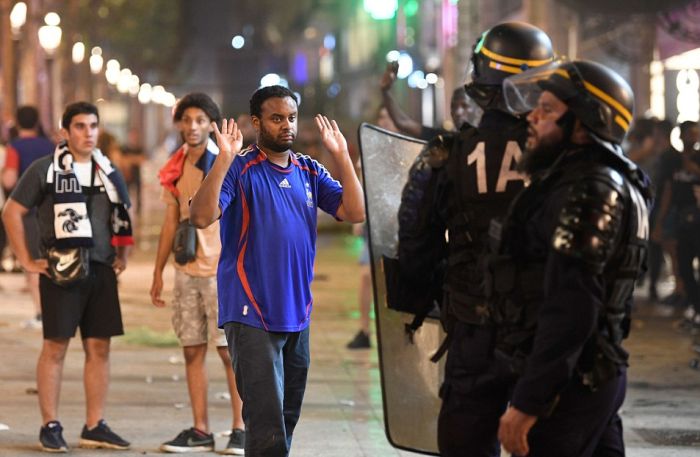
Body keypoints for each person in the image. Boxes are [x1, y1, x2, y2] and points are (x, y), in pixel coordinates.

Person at [396, 22, 554, 456]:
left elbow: (414, 239)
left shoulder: (449, 153)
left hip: (473, 326)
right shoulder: (564, 155)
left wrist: (421, 301)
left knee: (467, 440)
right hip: (544, 330)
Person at [190, 85, 365, 456]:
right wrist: (222, 159)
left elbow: (355, 212)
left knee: (284, 420)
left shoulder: (309, 170)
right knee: (266, 423)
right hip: (251, 313)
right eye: (276, 118)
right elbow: (201, 216)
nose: (286, 125)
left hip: (297, 314)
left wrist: (343, 157)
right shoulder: (240, 169)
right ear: (256, 123)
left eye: (291, 118)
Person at [491, 59, 650, 457]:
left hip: (572, 386)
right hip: (588, 376)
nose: (532, 117)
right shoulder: (585, 179)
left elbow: (572, 306)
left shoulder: (589, 190)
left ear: (583, 122)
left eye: (547, 110)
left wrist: (530, 400)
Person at [2, 101, 133, 452]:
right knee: (55, 347)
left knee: (99, 348)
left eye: (93, 126)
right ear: (64, 131)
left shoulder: (109, 170)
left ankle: (95, 424)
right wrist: (27, 260)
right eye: (79, 126)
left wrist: (121, 256)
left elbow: (122, 215)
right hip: (61, 270)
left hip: (102, 270)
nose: (88, 133)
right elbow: (12, 211)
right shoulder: (45, 170)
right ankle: (50, 424)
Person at [151, 93, 245, 454]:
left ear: (211, 125)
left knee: (228, 353)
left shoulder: (223, 162)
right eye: (187, 120)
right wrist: (158, 272)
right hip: (186, 270)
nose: (192, 127)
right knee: (192, 350)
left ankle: (240, 428)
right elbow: (170, 221)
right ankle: (200, 429)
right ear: (179, 124)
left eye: (200, 120)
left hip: (220, 271)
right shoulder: (175, 167)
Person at [347, 106, 398, 350]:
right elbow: (361, 182)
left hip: (398, 222)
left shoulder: (403, 147)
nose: (385, 121)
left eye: (389, 117)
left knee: (393, 279)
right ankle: (364, 330)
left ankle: (394, 331)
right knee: (367, 276)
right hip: (373, 220)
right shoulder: (371, 148)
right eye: (381, 117)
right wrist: (360, 219)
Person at [3, 106, 55, 328]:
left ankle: (42, 314)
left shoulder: (15, 148)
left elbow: (9, 180)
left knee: (33, 263)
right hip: (55, 211)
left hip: (29, 212)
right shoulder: (51, 146)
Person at [654, 120, 700, 328]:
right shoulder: (672, 159)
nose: (693, 137)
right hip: (681, 216)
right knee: (682, 263)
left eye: (695, 134)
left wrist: (694, 169)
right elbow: (668, 190)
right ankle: (692, 304)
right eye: (689, 133)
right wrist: (660, 221)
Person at [380, 61, 473, 139]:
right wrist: (385, 91)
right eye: (453, 107)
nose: (458, 112)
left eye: (464, 106)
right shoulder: (447, 140)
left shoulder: (485, 139)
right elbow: (403, 122)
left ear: (476, 110)